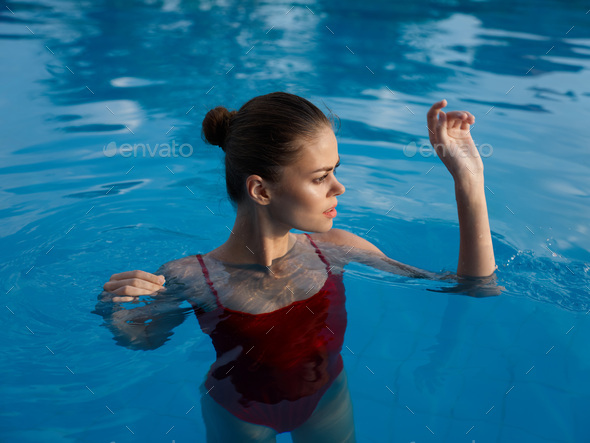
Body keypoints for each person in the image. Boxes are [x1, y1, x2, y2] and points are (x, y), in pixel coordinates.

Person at [95, 91, 498, 442]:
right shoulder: (194, 277)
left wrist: (469, 180)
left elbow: (472, 287)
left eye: (335, 170)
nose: (339, 187)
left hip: (326, 402)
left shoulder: (336, 249)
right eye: (321, 177)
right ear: (261, 190)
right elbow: (144, 338)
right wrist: (111, 308)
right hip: (239, 415)